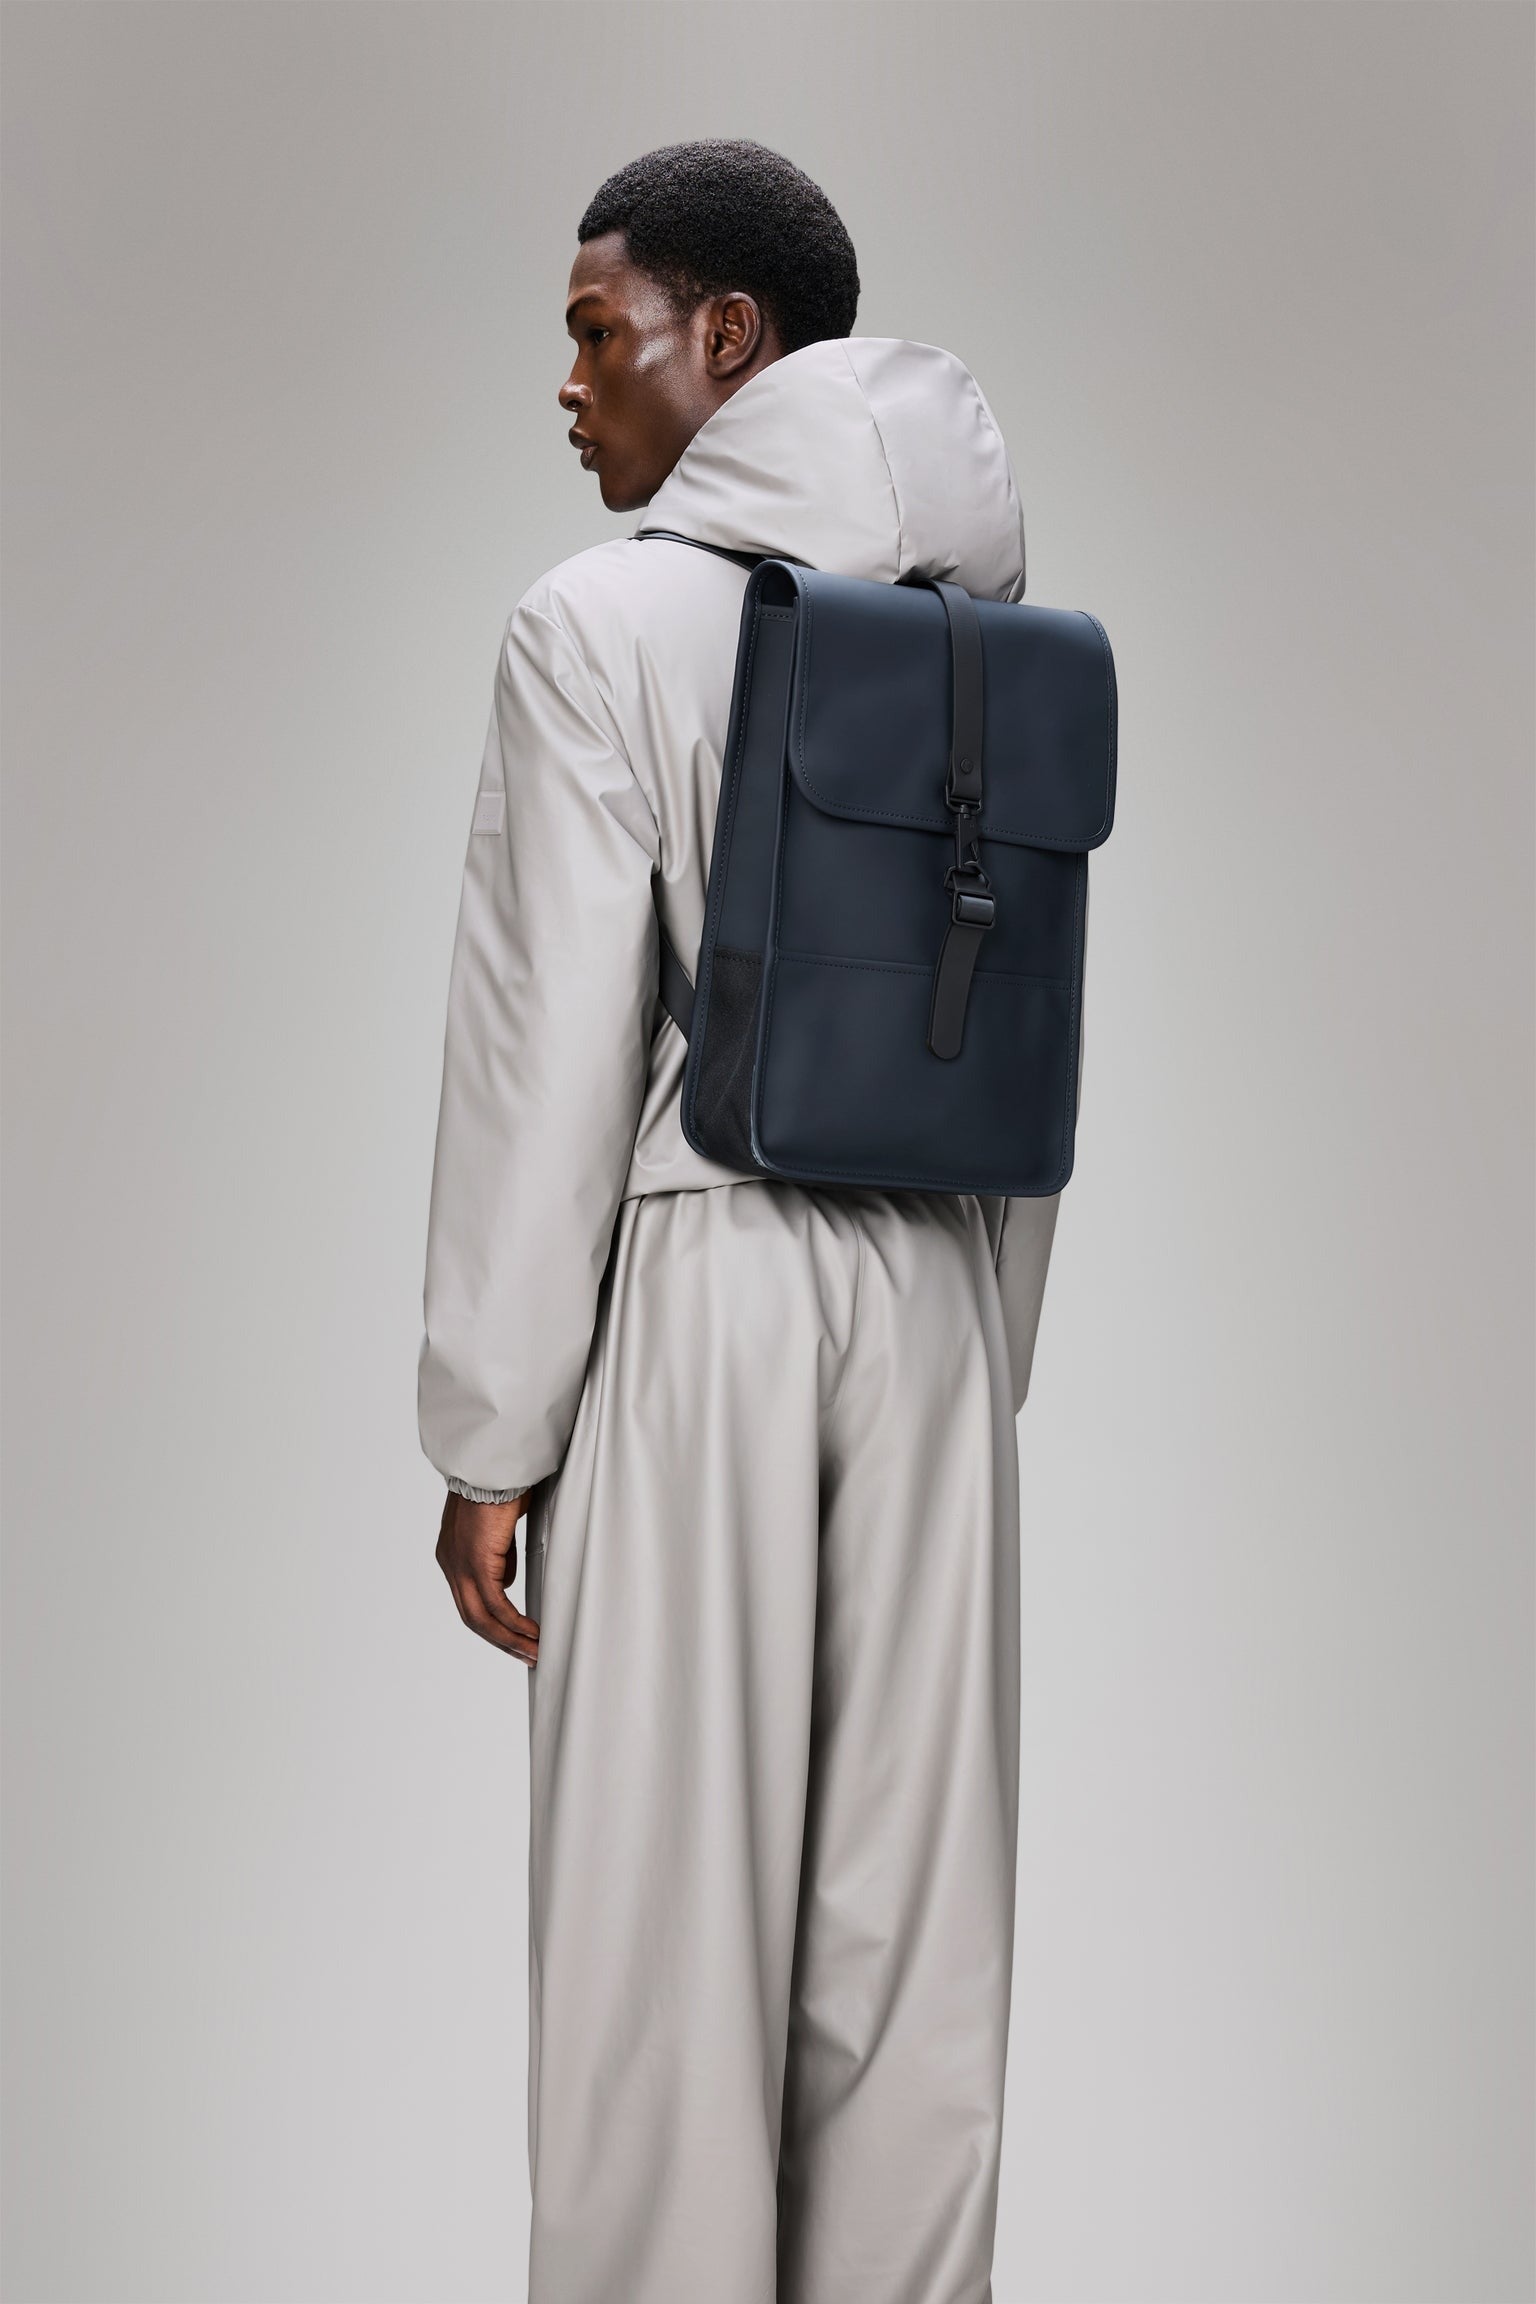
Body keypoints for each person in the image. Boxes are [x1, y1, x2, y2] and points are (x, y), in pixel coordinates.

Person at [418, 138, 1064, 2304]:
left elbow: (547, 1050)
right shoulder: (996, 641)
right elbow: (1024, 1043)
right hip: (948, 1302)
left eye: (596, 332)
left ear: (728, 337)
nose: (571, 384)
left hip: (707, 1272)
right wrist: (979, 1370)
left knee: (657, 1975)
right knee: (913, 1981)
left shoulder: (595, 625)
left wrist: (494, 1434)